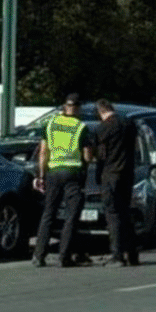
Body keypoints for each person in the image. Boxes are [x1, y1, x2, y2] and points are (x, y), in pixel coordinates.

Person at [33, 93, 93, 267]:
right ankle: (64, 256)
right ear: (78, 108)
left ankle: (39, 255)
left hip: (53, 172)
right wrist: (86, 163)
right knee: (71, 215)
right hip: (73, 173)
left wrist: (41, 175)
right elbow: (88, 156)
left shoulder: (50, 124)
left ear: (64, 107)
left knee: (49, 214)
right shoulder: (81, 127)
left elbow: (43, 152)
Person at [94, 98, 138, 267]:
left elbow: (100, 155)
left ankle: (117, 255)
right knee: (126, 212)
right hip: (127, 173)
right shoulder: (129, 124)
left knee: (112, 214)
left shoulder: (103, 128)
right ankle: (132, 254)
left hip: (110, 174)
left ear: (100, 112)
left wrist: (98, 175)